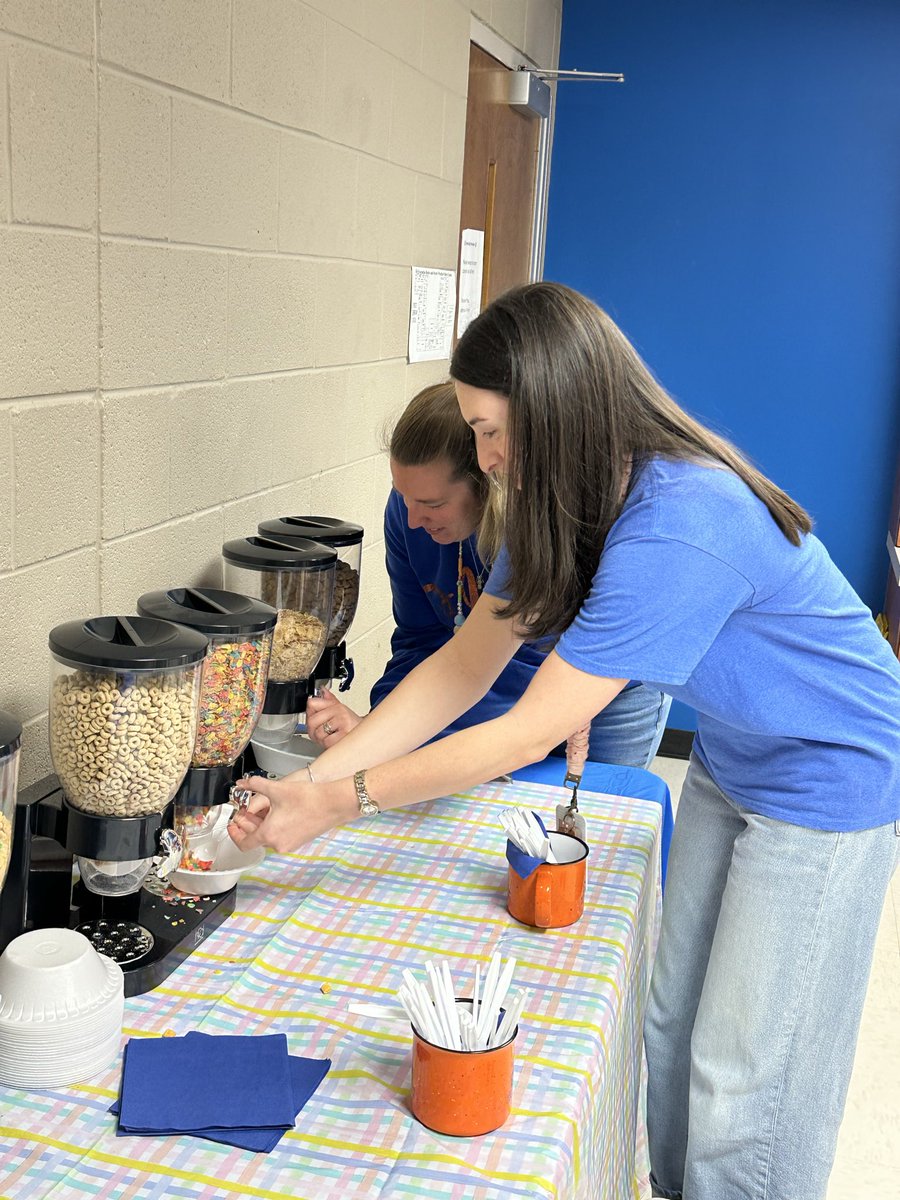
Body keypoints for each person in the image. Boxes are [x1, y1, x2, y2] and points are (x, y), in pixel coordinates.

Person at [232, 282, 900, 1200]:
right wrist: (316, 779)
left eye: (494, 430)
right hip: (737, 754)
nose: (485, 456)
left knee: (748, 1076)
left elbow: (526, 728)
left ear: (562, 407)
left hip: (832, 771)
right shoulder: (561, 508)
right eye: (473, 430)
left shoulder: (679, 520)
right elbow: (463, 669)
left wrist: (339, 804)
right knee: (668, 1030)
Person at [306, 381, 671, 766]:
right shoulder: (408, 515)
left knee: (588, 820)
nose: (413, 520)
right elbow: (420, 640)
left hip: (604, 697)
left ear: (488, 481)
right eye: (403, 496)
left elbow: (521, 675)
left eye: (433, 503)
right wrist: (374, 730)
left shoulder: (540, 530)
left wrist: (394, 743)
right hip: (493, 699)